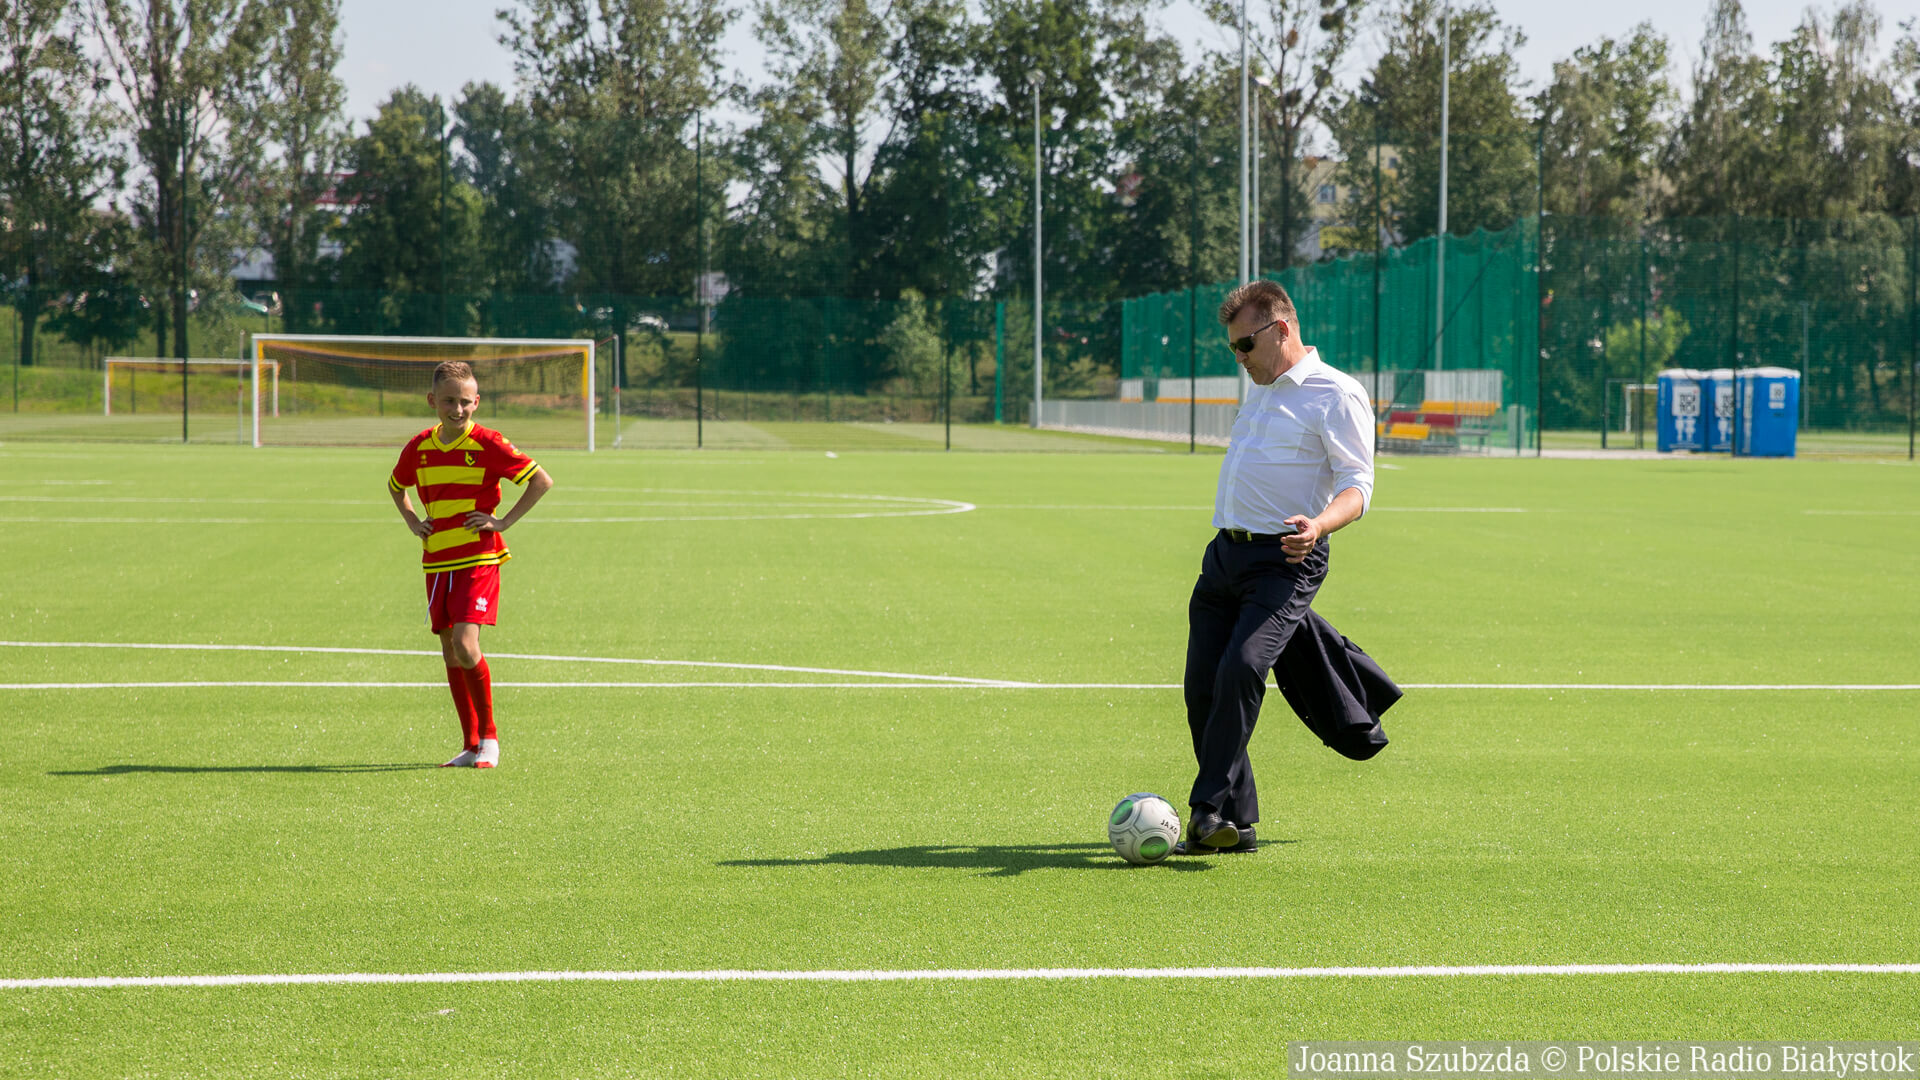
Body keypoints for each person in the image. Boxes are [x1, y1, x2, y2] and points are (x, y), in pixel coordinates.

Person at [1178, 279, 1401, 855]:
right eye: (1232, 348)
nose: (1239, 358)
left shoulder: (1337, 394)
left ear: (1280, 330)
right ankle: (1236, 822)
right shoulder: (1261, 389)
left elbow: (1358, 485)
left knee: (1242, 669)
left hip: (1285, 558)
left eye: (1244, 345)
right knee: (1202, 687)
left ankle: (1205, 811)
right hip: (1223, 556)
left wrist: (1320, 525)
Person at [388, 361, 554, 768]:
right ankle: (470, 743)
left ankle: (490, 738)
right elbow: (396, 486)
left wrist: (503, 522)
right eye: (449, 401)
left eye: (465, 402)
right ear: (432, 401)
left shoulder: (488, 443)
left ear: (476, 402)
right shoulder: (419, 447)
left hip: (478, 557)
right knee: (449, 649)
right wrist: (413, 521)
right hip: (436, 561)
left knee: (465, 644)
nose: (457, 409)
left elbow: (541, 480)